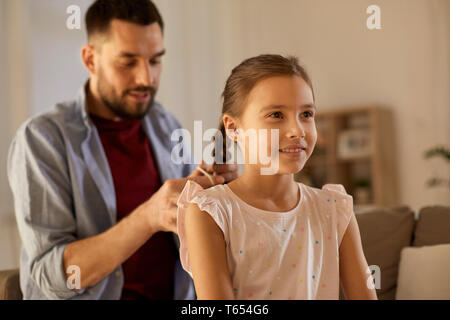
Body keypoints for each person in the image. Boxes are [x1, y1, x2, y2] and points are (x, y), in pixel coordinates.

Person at [7, 0, 237, 300]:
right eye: (128, 62)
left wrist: (216, 198)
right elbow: (50, 277)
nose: (146, 78)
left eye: (155, 60)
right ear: (90, 59)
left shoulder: (166, 125)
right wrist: (148, 217)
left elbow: (190, 231)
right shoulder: (42, 140)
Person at [177, 54, 378, 300]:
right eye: (276, 115)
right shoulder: (209, 212)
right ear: (233, 128)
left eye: (306, 114)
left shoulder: (335, 209)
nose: (297, 131)